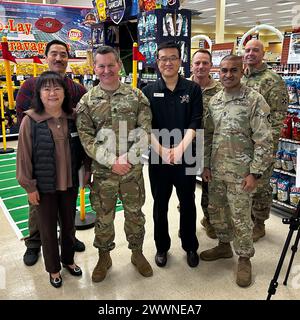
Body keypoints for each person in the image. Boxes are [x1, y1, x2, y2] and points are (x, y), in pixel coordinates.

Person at [76, 46, 153, 282]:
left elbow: (146, 131)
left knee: (134, 214)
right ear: (95, 68)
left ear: (119, 65)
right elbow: (86, 138)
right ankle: (103, 256)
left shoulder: (137, 96)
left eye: (111, 64)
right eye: (101, 65)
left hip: (131, 171)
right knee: (103, 216)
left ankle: (137, 253)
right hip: (103, 173)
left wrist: (127, 160)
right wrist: (112, 162)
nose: (106, 70)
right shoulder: (87, 101)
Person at [200, 55, 273, 287]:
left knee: (241, 217)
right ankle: (223, 246)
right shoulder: (215, 101)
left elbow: (264, 140)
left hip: (242, 174)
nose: (228, 75)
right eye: (224, 70)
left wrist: (256, 173)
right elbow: (208, 135)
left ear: (242, 72)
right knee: (218, 213)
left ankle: (244, 257)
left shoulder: (254, 100)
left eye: (233, 70)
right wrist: (205, 165)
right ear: (218, 72)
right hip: (217, 171)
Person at [16, 40, 87, 267]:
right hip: (43, 162)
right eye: (54, 54)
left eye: (63, 54)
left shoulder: (77, 89)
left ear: (68, 58)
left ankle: (68, 241)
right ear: (46, 57)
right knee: (40, 212)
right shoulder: (30, 85)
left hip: (68, 163)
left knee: (67, 209)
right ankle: (34, 244)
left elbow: (84, 122)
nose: (58, 58)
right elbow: (24, 120)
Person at [142, 41, 203, 268]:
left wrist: (179, 149)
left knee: (188, 202)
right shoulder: (147, 91)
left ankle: (190, 245)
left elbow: (195, 121)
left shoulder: (192, 89)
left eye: (173, 58)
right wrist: (163, 151)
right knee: (160, 205)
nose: (168, 62)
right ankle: (162, 247)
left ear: (180, 60)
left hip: (186, 156)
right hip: (158, 158)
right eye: (163, 58)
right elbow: (144, 125)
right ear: (157, 62)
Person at [241, 39, 289, 242]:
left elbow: (279, 116)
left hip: (262, 143)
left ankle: (259, 223)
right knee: (244, 182)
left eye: (255, 50)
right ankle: (245, 218)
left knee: (260, 185)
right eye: (247, 50)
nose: (250, 53)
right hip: (241, 142)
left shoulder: (273, 80)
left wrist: (269, 146)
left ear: (263, 53)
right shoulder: (240, 76)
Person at [190, 49, 223, 239]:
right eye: (197, 63)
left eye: (205, 63)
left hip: (211, 145)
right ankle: (187, 225)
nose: (201, 66)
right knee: (186, 189)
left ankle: (209, 220)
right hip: (187, 145)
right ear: (192, 65)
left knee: (209, 187)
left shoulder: (220, 90)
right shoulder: (183, 87)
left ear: (211, 65)